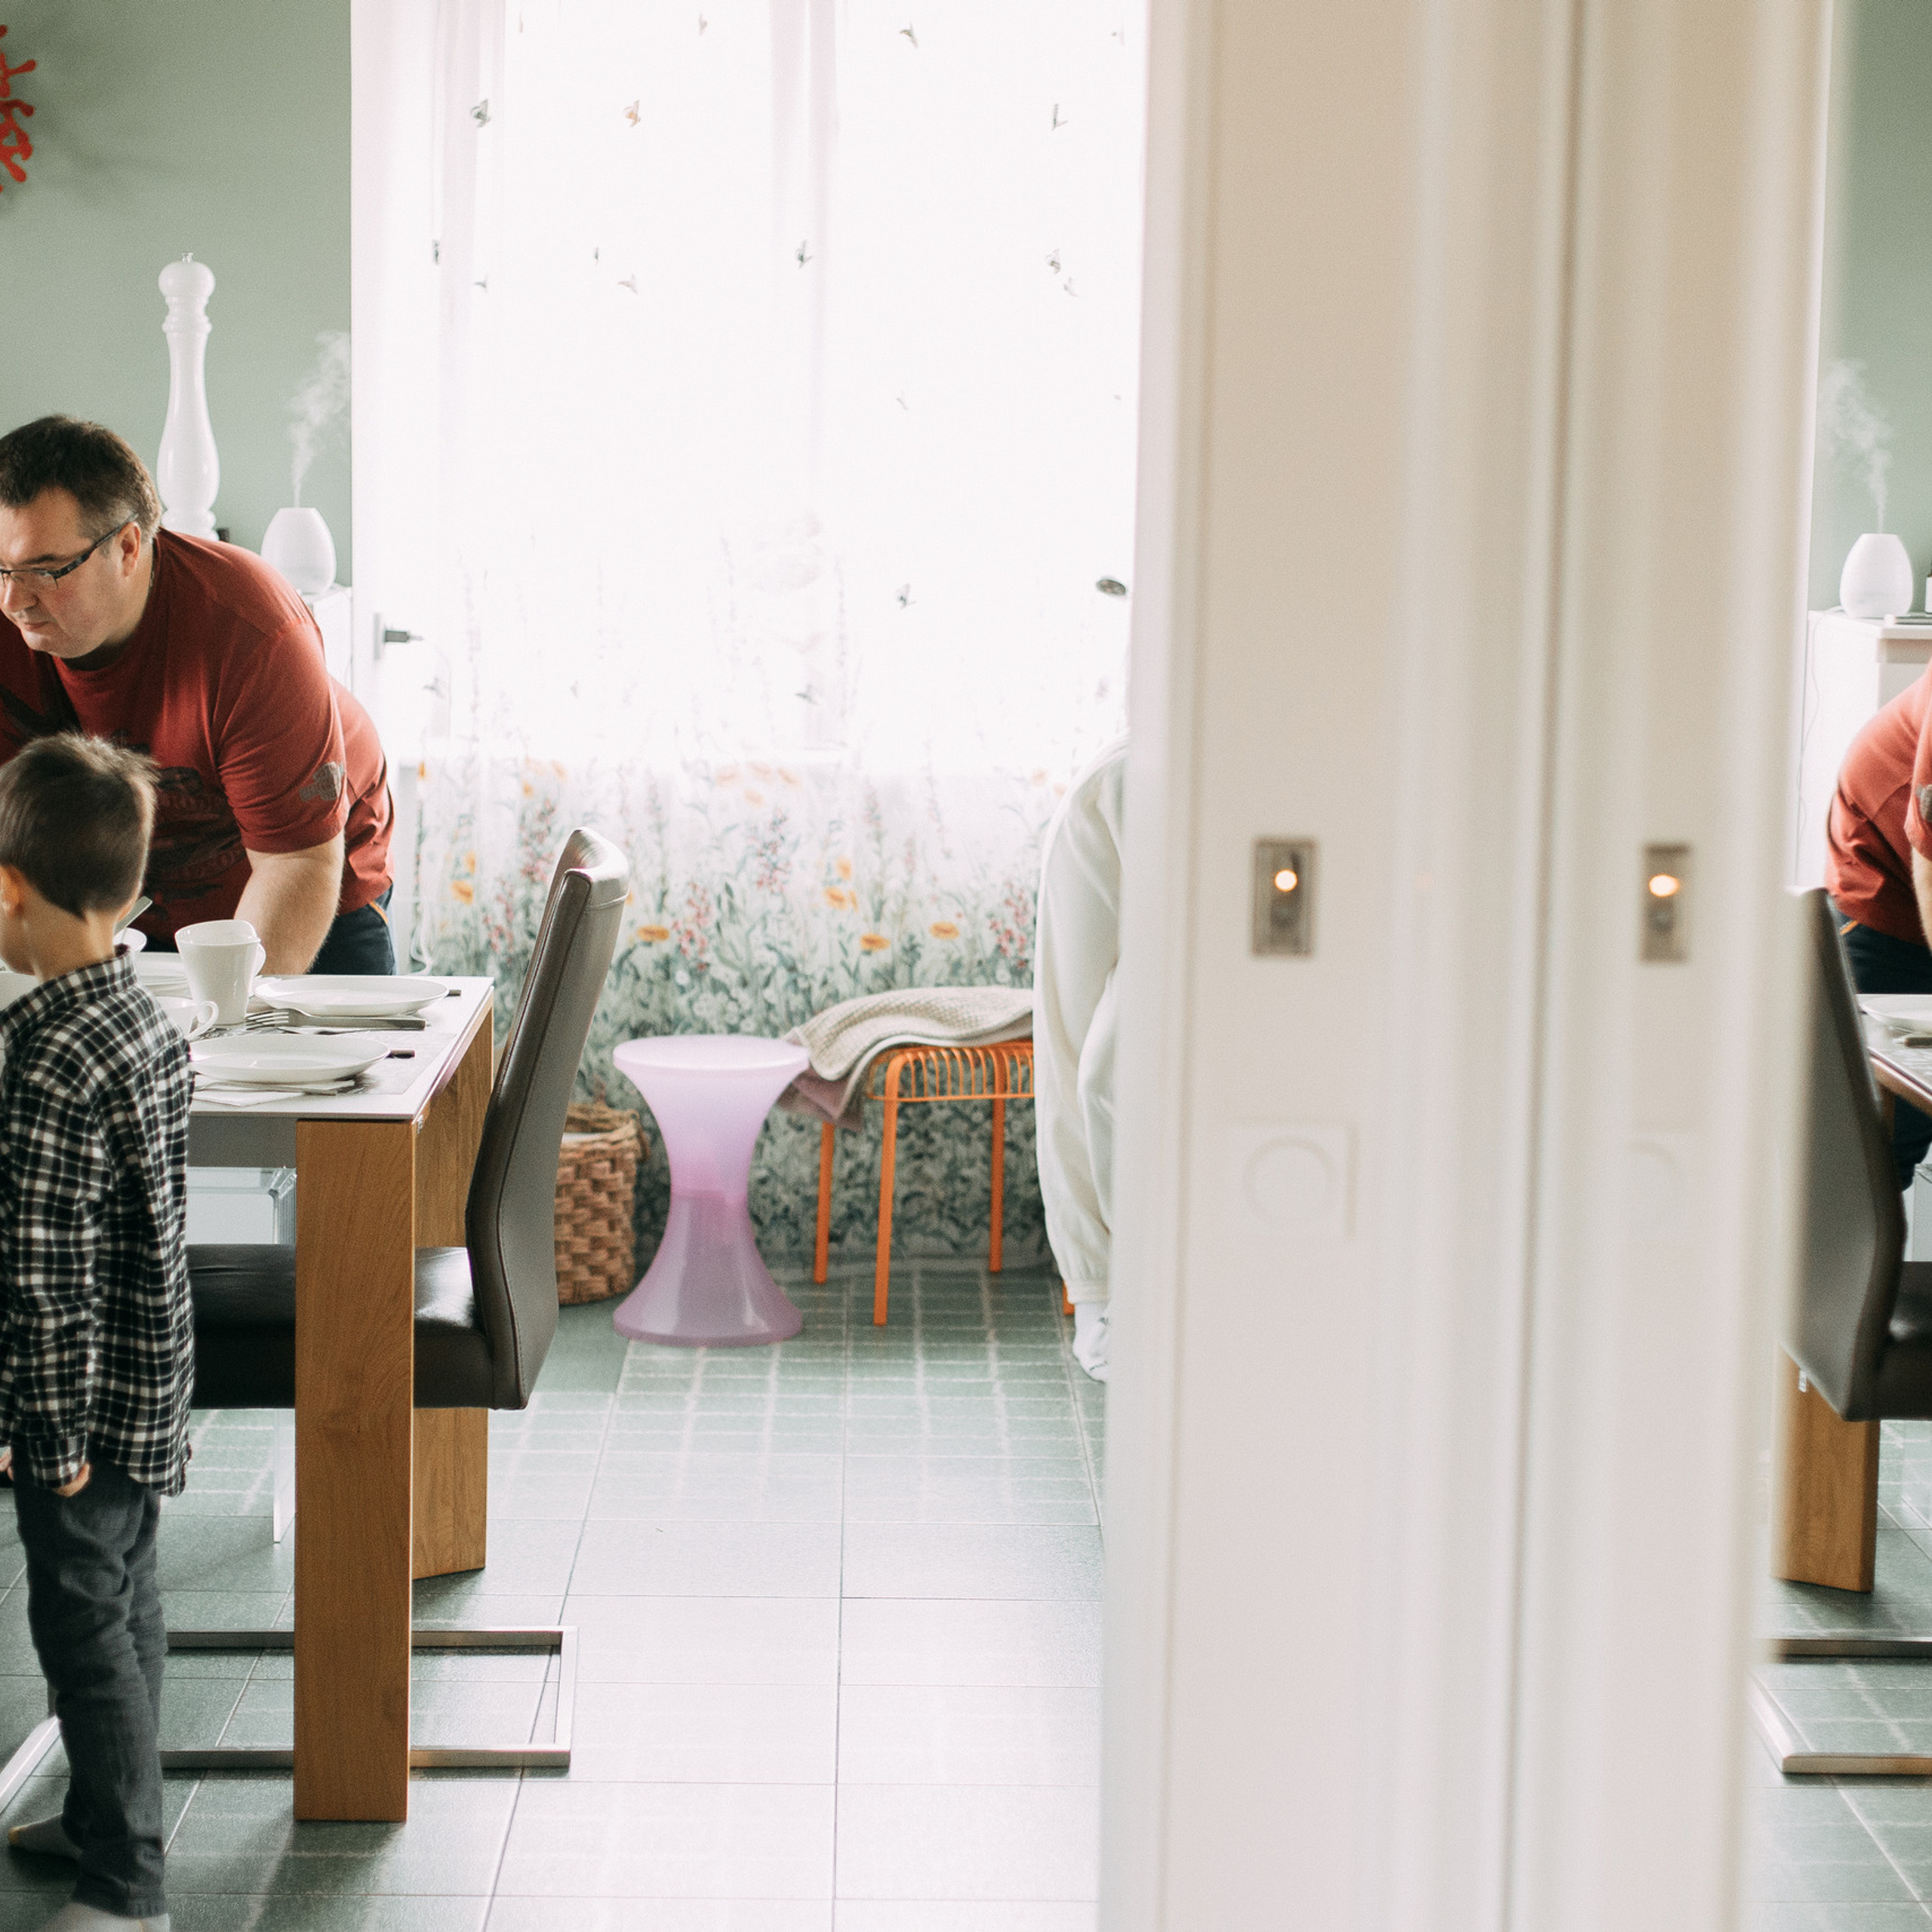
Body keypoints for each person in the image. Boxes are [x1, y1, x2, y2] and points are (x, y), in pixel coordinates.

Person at [0, 734, 191, 1932]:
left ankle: (127, 1888)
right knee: (127, 1597)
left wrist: (48, 1432)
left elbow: (47, 1278)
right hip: (150, 1378)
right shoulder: (145, 1015)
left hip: (77, 1403)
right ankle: (96, 1820)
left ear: (10, 890)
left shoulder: (46, 1055)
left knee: (78, 1625)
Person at [0, 417, 394, 976]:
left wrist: (226, 1030)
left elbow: (297, 864)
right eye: (1, 569)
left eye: (45, 570)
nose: (14, 600)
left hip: (309, 879)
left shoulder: (254, 633)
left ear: (129, 547)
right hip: (132, 904)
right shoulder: (10, 609)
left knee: (251, 1056)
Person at [1034, 734, 1127, 1382]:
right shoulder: (1116, 783)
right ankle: (1105, 1291)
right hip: (1117, 811)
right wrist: (1095, 1282)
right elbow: (1072, 1060)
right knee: (1094, 1067)